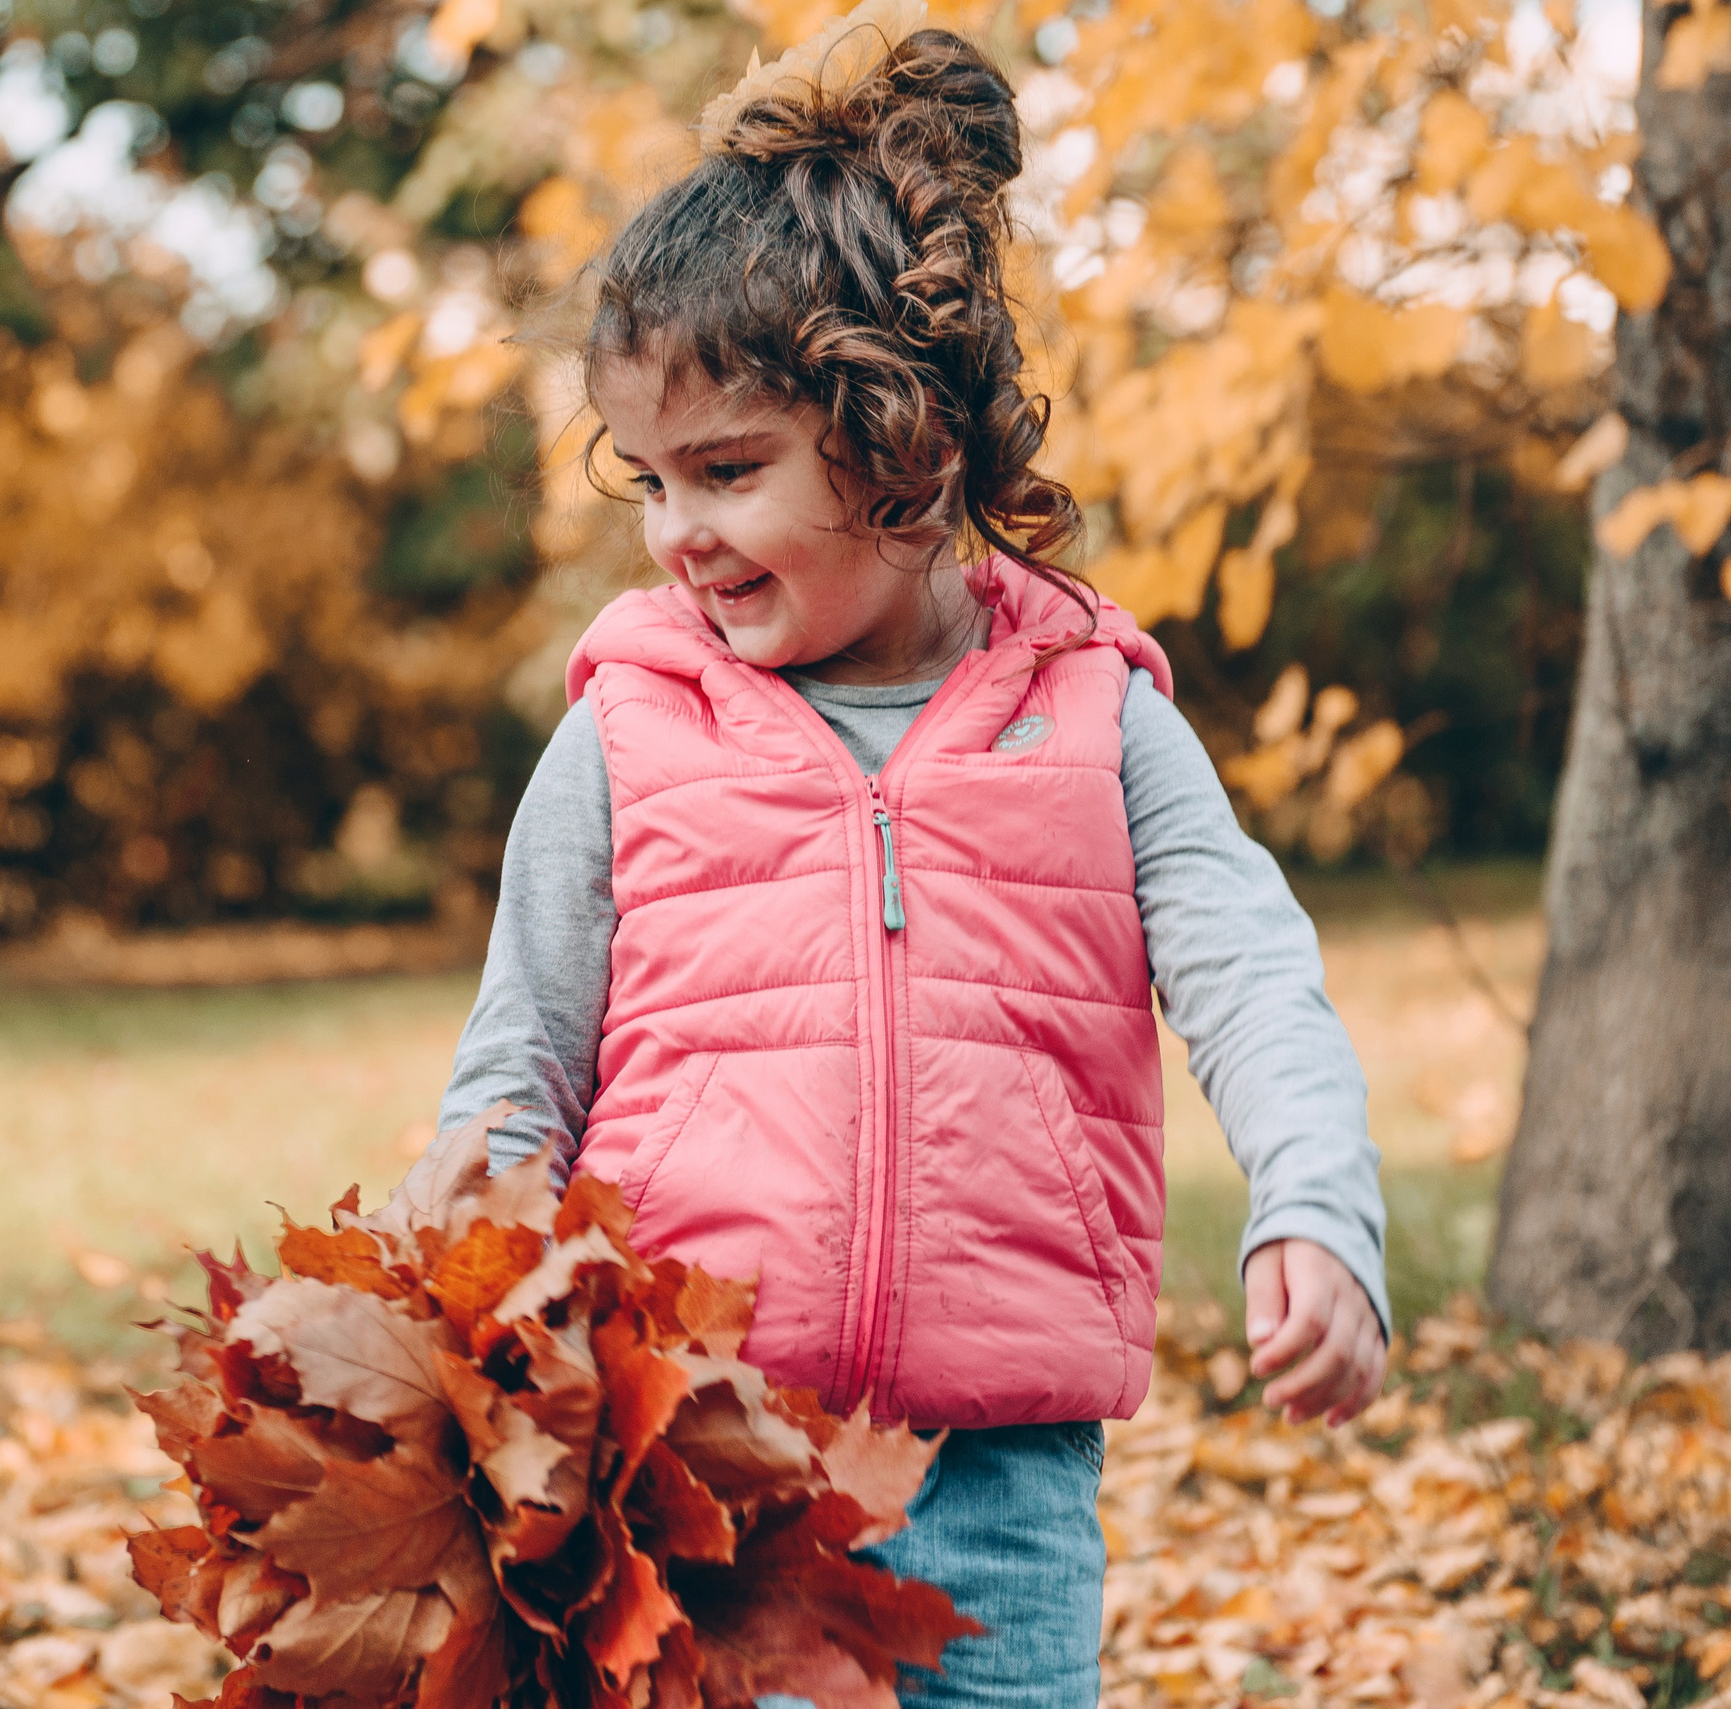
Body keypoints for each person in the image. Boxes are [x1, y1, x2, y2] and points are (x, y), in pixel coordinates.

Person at [439, 13, 1385, 1703]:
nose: (680, 537)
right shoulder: (626, 732)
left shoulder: (1091, 715)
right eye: (650, 482)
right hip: (698, 1468)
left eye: (729, 471)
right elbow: (523, 1056)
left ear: (901, 442)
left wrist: (1312, 1208)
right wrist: (466, 1307)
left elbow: (1252, 978)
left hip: (1000, 1489)